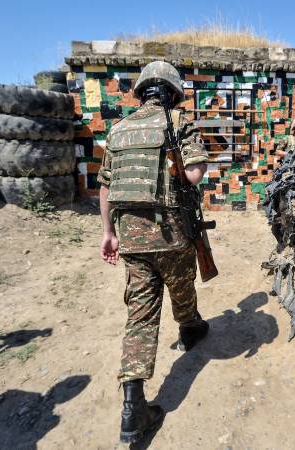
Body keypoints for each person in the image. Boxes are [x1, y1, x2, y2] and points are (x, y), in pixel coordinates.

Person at [97, 61, 210, 444]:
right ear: (174, 92)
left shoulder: (118, 129)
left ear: (142, 91)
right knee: (181, 287)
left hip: (129, 237)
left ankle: (133, 407)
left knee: (140, 315)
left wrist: (108, 233)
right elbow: (194, 174)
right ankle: (191, 327)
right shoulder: (178, 122)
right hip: (171, 233)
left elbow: (105, 189)